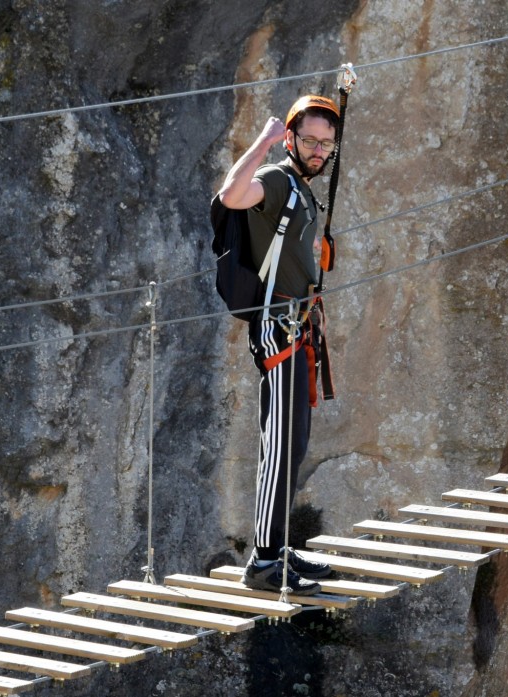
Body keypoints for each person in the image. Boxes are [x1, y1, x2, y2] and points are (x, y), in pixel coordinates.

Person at [217, 95, 340, 595]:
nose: (317, 150)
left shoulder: (305, 191)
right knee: (281, 444)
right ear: (291, 138)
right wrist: (264, 143)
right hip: (279, 325)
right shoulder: (276, 179)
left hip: (299, 323)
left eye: (326, 143)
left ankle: (278, 544)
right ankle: (264, 563)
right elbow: (230, 194)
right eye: (309, 140)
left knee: (295, 443)